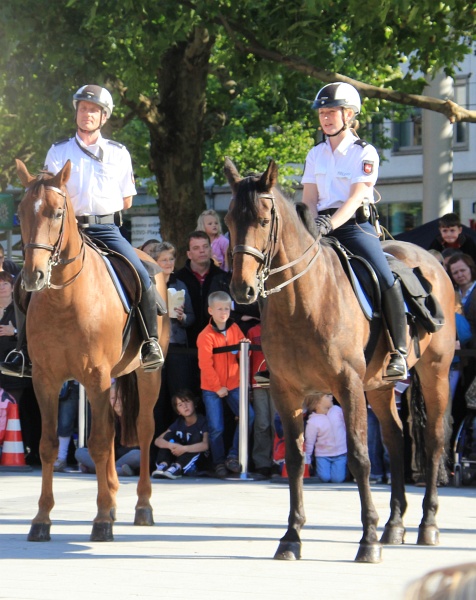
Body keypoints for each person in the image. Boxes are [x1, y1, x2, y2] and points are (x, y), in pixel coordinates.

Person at [0, 84, 164, 378]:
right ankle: (23, 350)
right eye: (82, 108)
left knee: (140, 273)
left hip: (106, 227)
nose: (86, 114)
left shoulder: (118, 153)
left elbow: (127, 199)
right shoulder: (59, 150)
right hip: (65, 232)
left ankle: (150, 343)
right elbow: (47, 193)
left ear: (104, 117)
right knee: (26, 282)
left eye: (93, 110)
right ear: (76, 112)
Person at [301, 82, 408, 380]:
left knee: (384, 276)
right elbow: (309, 199)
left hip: (353, 226)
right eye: (322, 112)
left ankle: (399, 350)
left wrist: (330, 223)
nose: (325, 118)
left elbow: (355, 197)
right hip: (319, 226)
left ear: (349, 114)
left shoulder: (365, 152)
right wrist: (310, 225)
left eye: (331, 112)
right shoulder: (315, 154)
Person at [197, 291, 255, 478]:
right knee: (216, 428)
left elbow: (241, 357)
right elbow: (205, 364)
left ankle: (233, 456)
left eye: (227, 309)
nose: (224, 312)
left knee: (248, 416)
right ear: (210, 310)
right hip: (212, 388)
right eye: (220, 309)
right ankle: (219, 462)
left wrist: (245, 348)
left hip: (233, 383)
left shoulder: (234, 328)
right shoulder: (205, 335)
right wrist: (217, 387)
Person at [153, 241, 196, 432]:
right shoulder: (150, 285)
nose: (169, 263)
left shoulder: (180, 284)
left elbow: (191, 318)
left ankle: (180, 437)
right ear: (155, 262)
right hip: (155, 350)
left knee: (179, 395)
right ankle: (157, 446)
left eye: (171, 259)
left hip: (177, 348)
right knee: (158, 399)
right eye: (164, 260)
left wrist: (182, 316)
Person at [75, 382, 140, 476]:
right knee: (80, 452)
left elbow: (136, 446)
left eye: (120, 398)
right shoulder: (106, 416)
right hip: (108, 457)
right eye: (113, 398)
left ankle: (97, 470)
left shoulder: (136, 415)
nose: (117, 402)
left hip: (126, 456)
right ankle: (116, 471)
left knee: (137, 455)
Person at [152, 389, 209, 479]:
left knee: (196, 438)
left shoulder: (202, 421)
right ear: (178, 411)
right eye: (180, 405)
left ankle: (177, 467)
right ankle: (163, 465)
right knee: (168, 436)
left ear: (194, 403)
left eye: (187, 401)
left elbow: (205, 445)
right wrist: (170, 445)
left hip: (197, 460)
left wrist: (184, 448)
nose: (185, 406)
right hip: (180, 455)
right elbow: (157, 440)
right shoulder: (178, 423)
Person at [248, 322, 276, 477]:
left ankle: (278, 461)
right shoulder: (253, 331)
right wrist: (247, 386)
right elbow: (247, 359)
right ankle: (262, 463)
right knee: (262, 423)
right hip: (258, 381)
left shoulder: (281, 328)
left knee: (276, 423)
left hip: (278, 381)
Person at [304, 393, 347, 483]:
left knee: (338, 479)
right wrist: (307, 459)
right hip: (323, 455)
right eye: (327, 396)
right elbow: (309, 442)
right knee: (324, 478)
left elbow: (347, 427)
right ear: (318, 402)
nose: (331, 397)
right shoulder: (313, 422)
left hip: (341, 453)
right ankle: (320, 471)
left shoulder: (337, 410)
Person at [53, 380, 80, 472]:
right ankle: (61, 458)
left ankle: (91, 458)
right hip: (70, 385)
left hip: (93, 384)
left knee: (93, 422)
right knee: (65, 422)